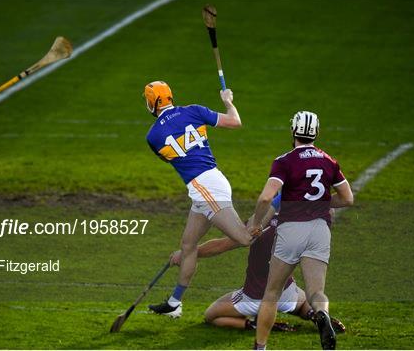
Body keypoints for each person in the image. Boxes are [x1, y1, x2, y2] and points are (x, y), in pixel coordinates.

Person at [144, 81, 256, 318]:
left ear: (151, 103)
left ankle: (273, 213)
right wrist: (228, 101)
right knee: (187, 245)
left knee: (245, 238)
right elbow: (235, 121)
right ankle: (175, 303)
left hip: (205, 188)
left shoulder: (153, 136)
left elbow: (174, 158)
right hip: (206, 185)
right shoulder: (194, 110)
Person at [248, 111, 354, 350]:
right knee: (316, 292)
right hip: (320, 229)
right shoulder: (329, 161)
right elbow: (347, 199)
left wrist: (256, 222)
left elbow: (267, 197)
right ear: (316, 132)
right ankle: (322, 314)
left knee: (272, 292)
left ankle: (260, 347)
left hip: (291, 230)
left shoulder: (284, 161)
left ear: (293, 131)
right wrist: (322, 203)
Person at [170, 197, 346, 334]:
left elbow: (222, 245)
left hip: (253, 299)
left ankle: (254, 324)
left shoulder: (260, 223)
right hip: (286, 294)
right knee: (306, 298)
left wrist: (187, 253)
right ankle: (315, 315)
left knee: (211, 315)